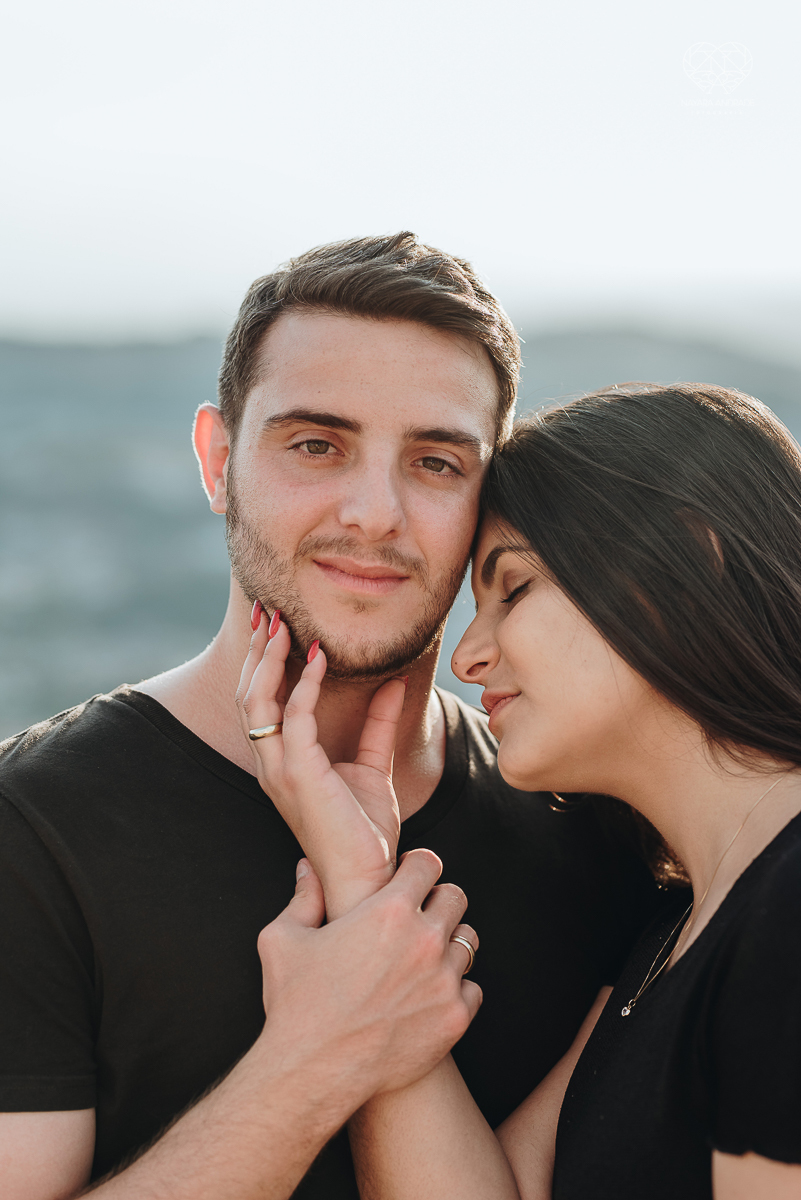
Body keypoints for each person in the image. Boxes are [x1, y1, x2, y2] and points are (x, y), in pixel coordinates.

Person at [0, 236, 660, 1199]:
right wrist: (323, 1053)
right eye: (316, 445)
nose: (374, 512)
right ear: (217, 461)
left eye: (435, 462)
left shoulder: (599, 824)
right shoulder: (29, 830)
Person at [245, 382, 801, 1200]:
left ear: (683, 565)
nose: (466, 657)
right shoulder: (673, 937)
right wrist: (362, 896)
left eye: (513, 589)